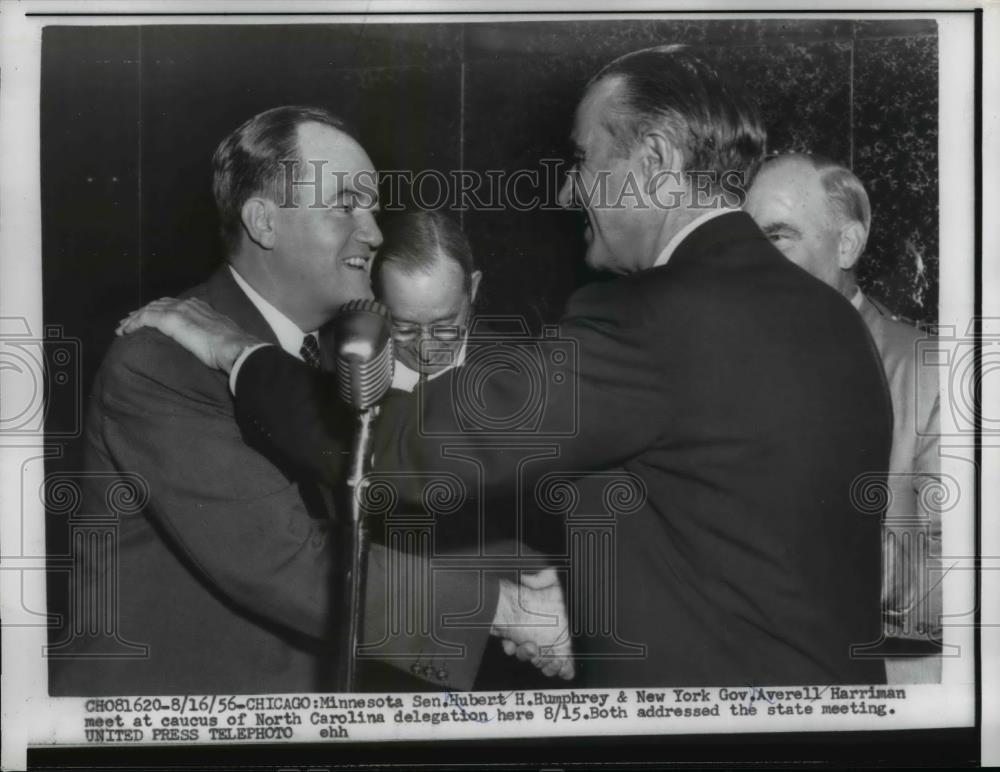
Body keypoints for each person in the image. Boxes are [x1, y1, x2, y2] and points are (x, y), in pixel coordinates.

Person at [121, 46, 893, 687]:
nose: (567, 188)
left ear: (654, 160)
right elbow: (723, 541)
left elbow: (396, 451)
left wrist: (236, 352)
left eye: (584, 159)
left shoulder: (648, 316)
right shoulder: (831, 318)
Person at [51, 106, 571, 696]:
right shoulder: (159, 361)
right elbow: (287, 560)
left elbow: (386, 525)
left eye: (372, 206)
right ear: (263, 222)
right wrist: (513, 611)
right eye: (346, 204)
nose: (374, 232)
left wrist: (541, 582)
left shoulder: (332, 354)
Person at [744, 152, 942, 683]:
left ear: (848, 245)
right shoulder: (728, 369)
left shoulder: (931, 376)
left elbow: (966, 579)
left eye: (777, 237)